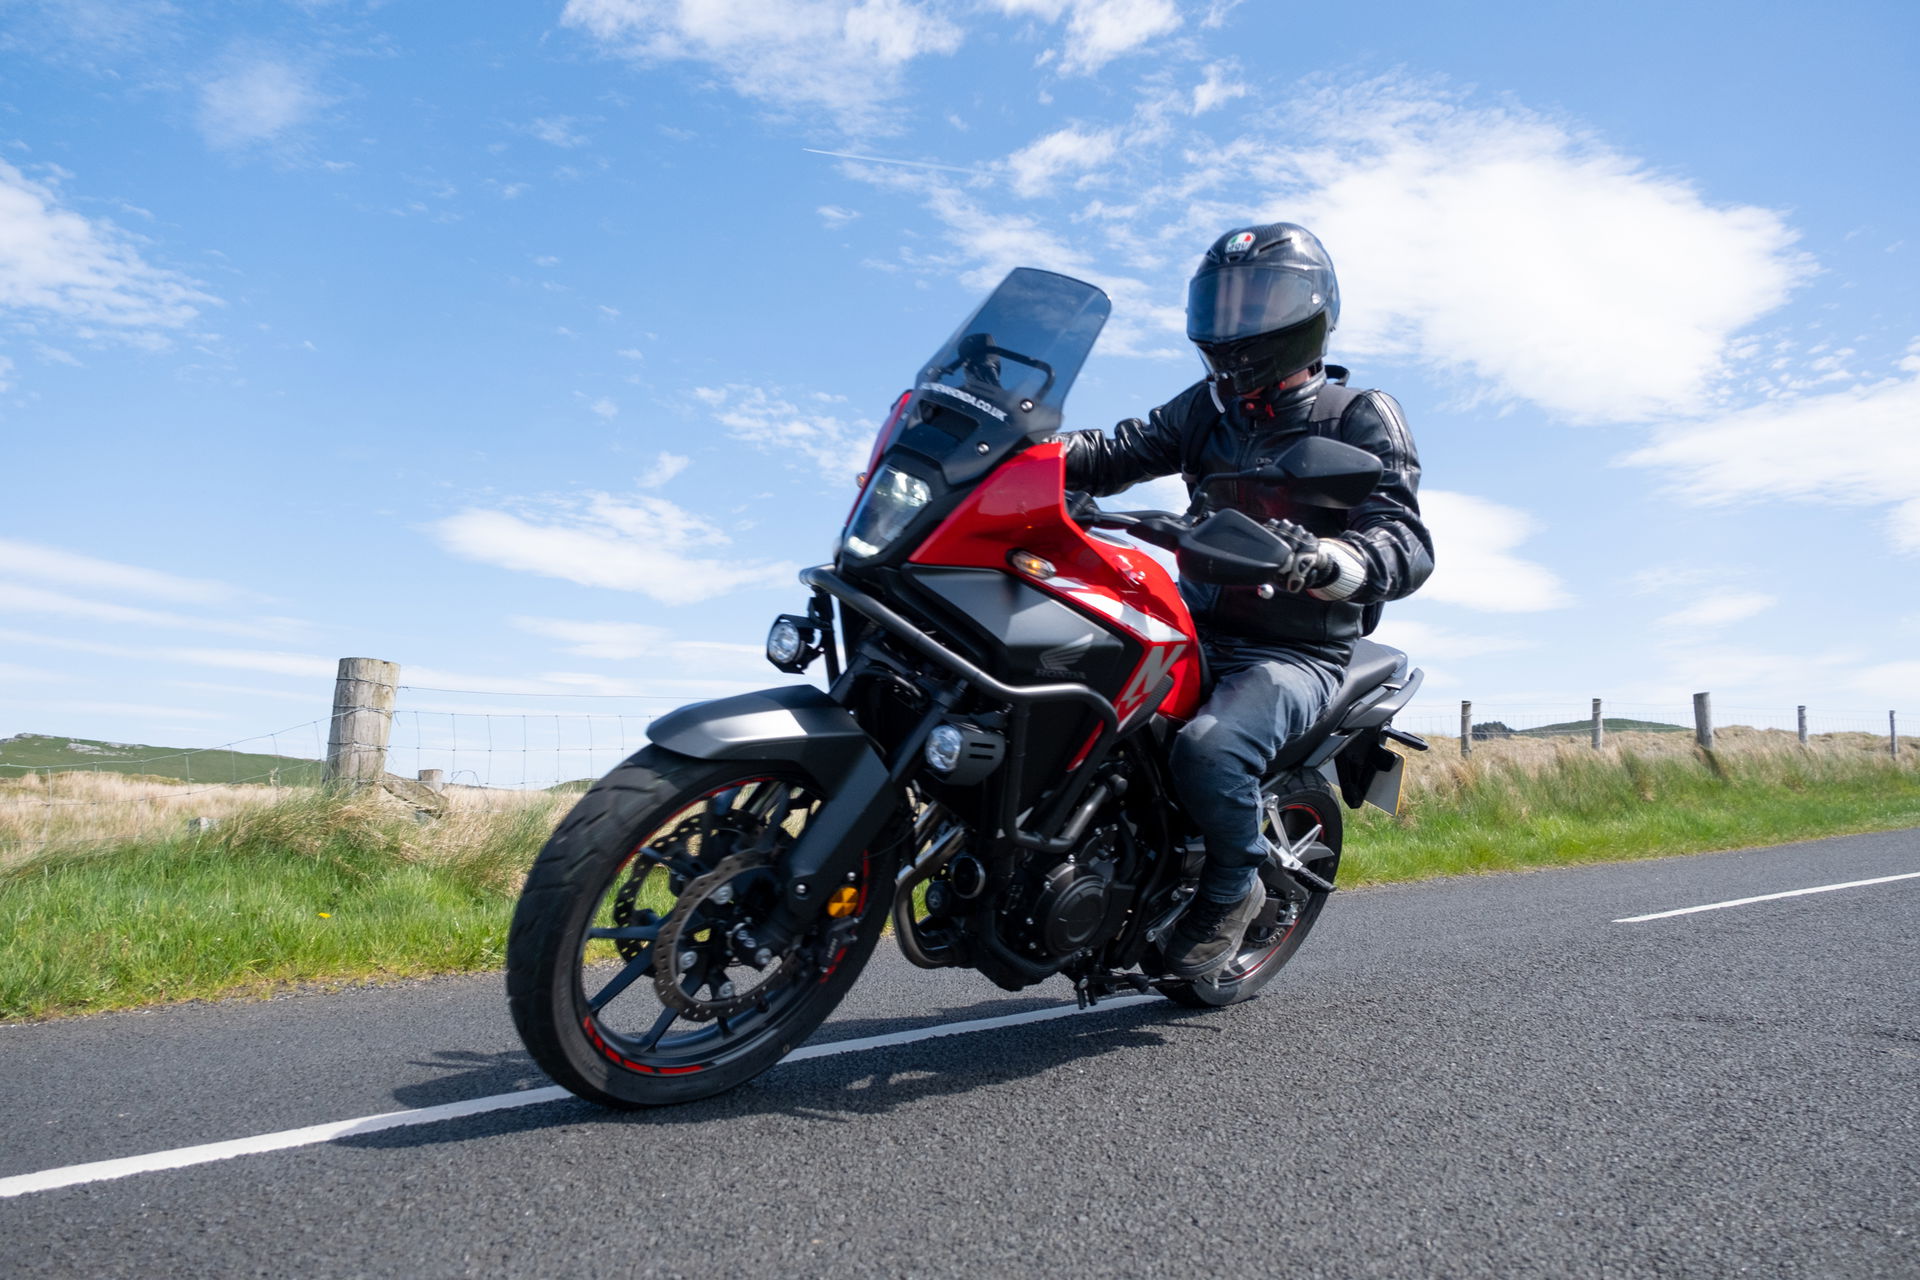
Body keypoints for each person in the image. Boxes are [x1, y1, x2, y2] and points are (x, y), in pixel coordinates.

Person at [1061, 223, 1433, 979]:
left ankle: (1233, 889)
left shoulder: (1357, 414)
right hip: (1194, 626)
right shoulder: (1206, 410)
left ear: (1311, 310)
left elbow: (1406, 541)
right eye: (1223, 304)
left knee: (1212, 746)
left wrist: (1328, 558)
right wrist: (1019, 449)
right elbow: (1119, 449)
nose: (1236, 325)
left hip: (1298, 652)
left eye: (1258, 301)